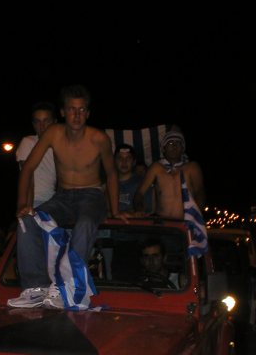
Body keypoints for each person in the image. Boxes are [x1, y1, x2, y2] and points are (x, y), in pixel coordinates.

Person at [8, 84, 125, 310]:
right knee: (28, 220)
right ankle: (36, 288)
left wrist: (116, 209)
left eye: (81, 110)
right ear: (63, 112)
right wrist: (23, 204)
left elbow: (112, 174)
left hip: (91, 194)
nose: (77, 115)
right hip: (62, 196)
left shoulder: (99, 138)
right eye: (72, 109)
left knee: (85, 224)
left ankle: (68, 287)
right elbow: (28, 167)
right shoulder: (53, 133)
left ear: (88, 113)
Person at [134, 129, 206, 218]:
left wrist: (195, 216)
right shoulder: (156, 168)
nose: (174, 146)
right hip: (162, 222)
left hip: (186, 221)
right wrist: (139, 209)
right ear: (164, 148)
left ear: (182, 148)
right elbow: (139, 193)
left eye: (178, 143)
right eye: (170, 143)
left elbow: (200, 193)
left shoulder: (192, 167)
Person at [16, 101, 58, 209]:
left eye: (46, 121)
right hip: (34, 201)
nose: (42, 126)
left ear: (55, 122)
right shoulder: (29, 142)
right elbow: (27, 176)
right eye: (37, 122)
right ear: (33, 124)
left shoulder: (60, 147)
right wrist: (26, 207)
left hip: (55, 202)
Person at [114, 143, 153, 213]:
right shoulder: (108, 184)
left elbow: (147, 210)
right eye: (120, 158)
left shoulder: (143, 184)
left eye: (128, 158)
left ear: (134, 162)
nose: (124, 162)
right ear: (114, 161)